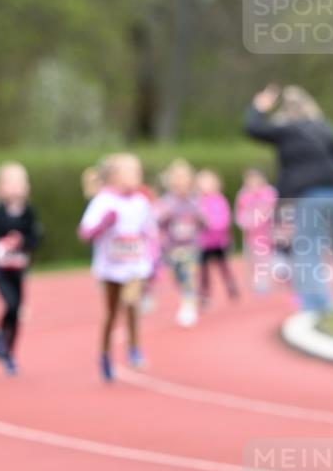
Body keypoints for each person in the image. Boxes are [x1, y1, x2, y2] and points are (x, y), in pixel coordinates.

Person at [244, 84, 333, 313]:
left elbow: (252, 128)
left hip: (310, 193)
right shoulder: (324, 127)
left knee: (308, 247)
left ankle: (318, 303)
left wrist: (259, 106)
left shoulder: (285, 130)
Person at [78, 153, 155, 381]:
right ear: (114, 176)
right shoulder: (103, 201)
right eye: (132, 171)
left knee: (131, 302)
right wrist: (103, 224)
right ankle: (104, 353)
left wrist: (154, 261)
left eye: (138, 171)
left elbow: (149, 231)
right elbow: (85, 232)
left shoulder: (141, 202)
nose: (137, 176)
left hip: (135, 265)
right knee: (111, 314)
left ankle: (134, 348)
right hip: (111, 267)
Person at [0, 162, 41, 375]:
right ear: (0, 187)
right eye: (11, 182)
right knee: (11, 304)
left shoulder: (29, 213)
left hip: (18, 269)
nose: (16, 187)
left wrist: (23, 242)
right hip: (0, 269)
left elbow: (37, 237)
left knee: (15, 312)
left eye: (21, 182)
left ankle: (9, 353)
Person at [156, 159, 205, 326]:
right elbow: (156, 220)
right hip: (172, 248)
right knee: (178, 277)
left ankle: (188, 306)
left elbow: (205, 221)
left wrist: (200, 217)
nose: (181, 182)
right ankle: (186, 296)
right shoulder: (167, 202)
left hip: (191, 246)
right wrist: (165, 216)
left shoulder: (195, 201)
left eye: (184, 178)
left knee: (189, 275)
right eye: (177, 178)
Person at [196, 169, 239, 306]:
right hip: (204, 242)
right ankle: (204, 293)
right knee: (203, 270)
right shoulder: (198, 201)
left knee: (224, 267)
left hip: (219, 241)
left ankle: (231, 286)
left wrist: (213, 224)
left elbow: (225, 218)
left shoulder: (219, 200)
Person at [234, 168, 278, 295]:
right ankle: (258, 283)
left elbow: (274, 210)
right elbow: (239, 213)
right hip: (252, 236)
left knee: (267, 259)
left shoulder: (269, 193)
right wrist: (246, 223)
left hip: (268, 234)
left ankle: (266, 282)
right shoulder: (243, 195)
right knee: (254, 260)